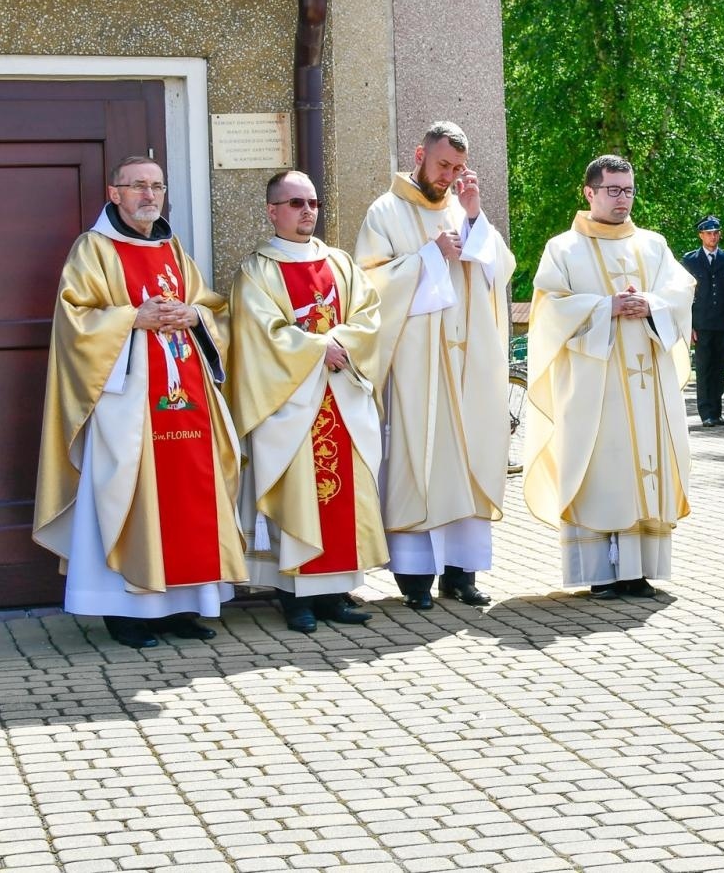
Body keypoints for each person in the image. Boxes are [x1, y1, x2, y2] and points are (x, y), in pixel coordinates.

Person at [33, 155, 244, 648]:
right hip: (126, 404)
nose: (150, 195)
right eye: (138, 187)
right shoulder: (94, 249)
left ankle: (177, 605)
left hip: (185, 399)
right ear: (115, 194)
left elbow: (211, 307)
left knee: (187, 499)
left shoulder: (172, 248)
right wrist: (132, 318)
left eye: (157, 186)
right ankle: (123, 611)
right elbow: (74, 321)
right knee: (126, 496)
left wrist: (194, 314)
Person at [354, 121, 515, 610]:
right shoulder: (385, 211)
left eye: (459, 168)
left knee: (467, 459)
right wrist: (428, 257)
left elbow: (500, 270)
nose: (449, 176)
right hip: (417, 364)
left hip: (467, 363)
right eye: (443, 164)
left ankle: (461, 573)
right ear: (419, 154)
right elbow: (367, 285)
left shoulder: (460, 206)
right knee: (418, 461)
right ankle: (415, 577)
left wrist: (473, 220)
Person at [524, 154, 695, 599]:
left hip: (645, 386)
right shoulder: (562, 248)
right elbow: (549, 310)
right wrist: (605, 308)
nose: (624, 200)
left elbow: (680, 292)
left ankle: (637, 571)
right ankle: (600, 573)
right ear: (590, 193)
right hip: (593, 391)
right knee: (601, 472)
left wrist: (652, 305)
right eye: (614, 191)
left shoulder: (653, 244)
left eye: (629, 190)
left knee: (643, 469)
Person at [227, 172, 385, 634]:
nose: (307, 211)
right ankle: (293, 595)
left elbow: (368, 317)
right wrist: (319, 350)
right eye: (295, 203)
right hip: (292, 405)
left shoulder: (340, 263)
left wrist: (339, 344)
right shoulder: (256, 270)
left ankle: (335, 593)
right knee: (297, 497)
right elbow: (259, 335)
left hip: (340, 398)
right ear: (272, 211)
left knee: (342, 498)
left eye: (313, 202)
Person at [681, 215, 724, 428]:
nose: (713, 237)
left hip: (723, 323)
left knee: (719, 368)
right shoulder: (690, 260)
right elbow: (684, 295)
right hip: (701, 323)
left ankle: (717, 412)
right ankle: (706, 412)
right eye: (708, 233)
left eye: (716, 233)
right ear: (701, 235)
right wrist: (687, 325)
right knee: (705, 368)